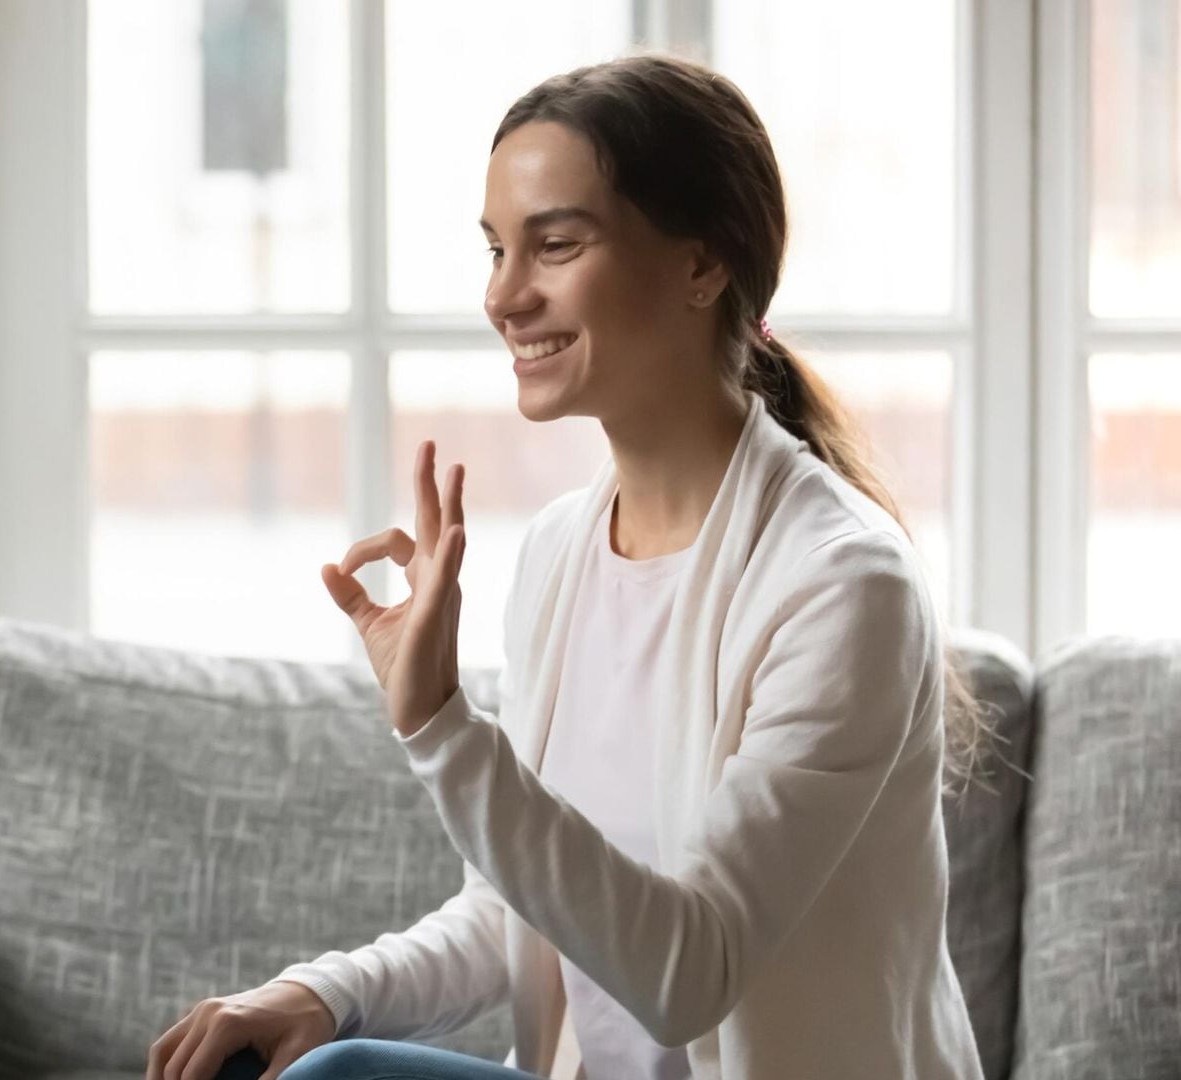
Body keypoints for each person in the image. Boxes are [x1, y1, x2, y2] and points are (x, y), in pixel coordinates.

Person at [150, 54, 985, 1080]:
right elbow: (519, 912)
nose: (504, 295)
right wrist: (322, 993)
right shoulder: (557, 555)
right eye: (497, 249)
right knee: (291, 1062)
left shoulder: (842, 586)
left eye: (554, 244)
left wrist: (443, 729)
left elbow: (690, 971)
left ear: (701, 264)